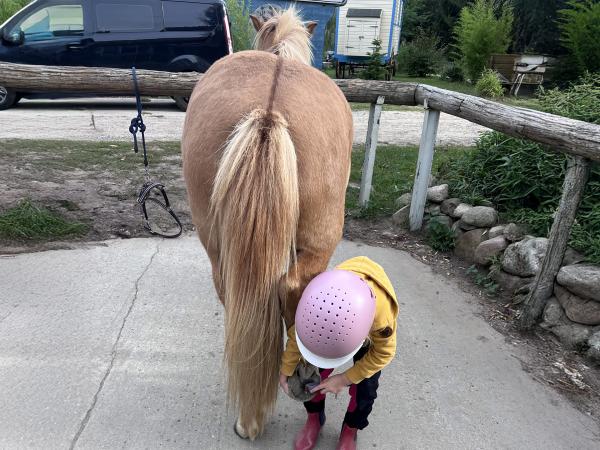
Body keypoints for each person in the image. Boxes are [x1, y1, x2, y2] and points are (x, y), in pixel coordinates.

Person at [279, 256, 399, 450]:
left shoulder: (381, 322)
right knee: (311, 375)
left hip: (364, 324)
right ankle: (314, 417)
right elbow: (297, 334)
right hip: (335, 321)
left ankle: (351, 428)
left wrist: (345, 378)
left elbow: (384, 353)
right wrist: (286, 369)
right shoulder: (314, 301)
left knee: (366, 389)